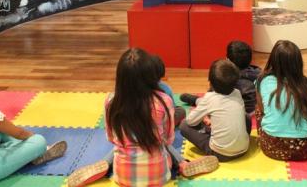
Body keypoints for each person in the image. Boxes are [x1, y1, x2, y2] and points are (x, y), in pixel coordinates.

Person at [67, 48, 218, 187]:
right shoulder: (163, 100)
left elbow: (112, 138)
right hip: (159, 175)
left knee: (122, 144)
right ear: (149, 75)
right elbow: (168, 139)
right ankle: (182, 164)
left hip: (122, 177)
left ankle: (105, 164)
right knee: (159, 142)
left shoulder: (111, 101)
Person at [256, 40, 307, 161]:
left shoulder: (263, 80)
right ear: (298, 63)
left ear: (273, 60)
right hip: (304, 150)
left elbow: (262, 109)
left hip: (270, 147)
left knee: (258, 110)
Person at [180, 41, 260, 132]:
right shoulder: (258, 72)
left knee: (208, 102)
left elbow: (213, 98)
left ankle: (197, 100)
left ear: (228, 60)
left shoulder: (229, 78)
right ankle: (197, 101)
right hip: (252, 112)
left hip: (230, 112)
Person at [179, 59, 250, 162]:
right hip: (244, 149)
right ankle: (196, 100)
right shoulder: (237, 93)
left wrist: (203, 117)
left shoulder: (209, 98)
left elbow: (190, 121)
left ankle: (196, 101)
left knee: (184, 125)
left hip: (220, 154)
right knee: (246, 117)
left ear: (210, 82)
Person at [152, 54, 186, 127]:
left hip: (147, 122)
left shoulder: (140, 88)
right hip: (164, 121)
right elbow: (172, 109)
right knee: (181, 111)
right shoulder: (166, 88)